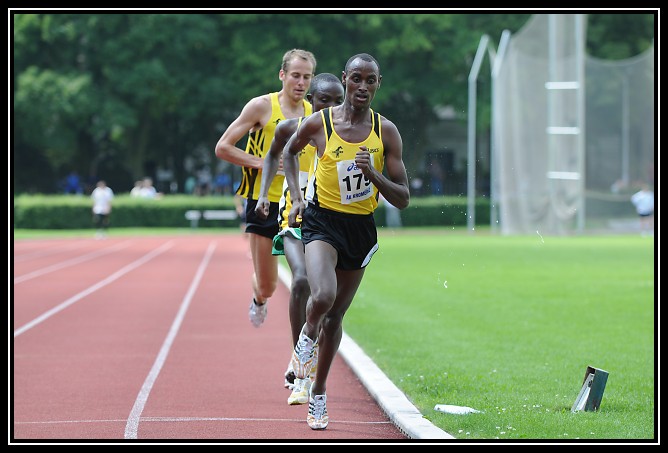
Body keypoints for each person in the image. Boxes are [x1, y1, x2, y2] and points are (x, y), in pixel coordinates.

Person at [283, 53, 410, 430]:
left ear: (378, 84)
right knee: (322, 295)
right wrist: (297, 198)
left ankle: (318, 392)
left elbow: (403, 197)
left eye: (370, 80)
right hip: (322, 222)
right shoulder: (320, 122)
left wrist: (375, 175)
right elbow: (289, 152)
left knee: (336, 317)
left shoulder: (385, 131)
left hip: (360, 228)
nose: (363, 87)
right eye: (357, 78)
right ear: (345, 79)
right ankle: (306, 340)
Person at [254, 73, 345, 404]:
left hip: (331, 219)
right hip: (295, 213)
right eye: (324, 101)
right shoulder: (291, 128)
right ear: (311, 101)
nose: (331, 107)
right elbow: (272, 155)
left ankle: (309, 360)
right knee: (302, 280)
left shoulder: (348, 135)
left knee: (327, 298)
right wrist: (266, 194)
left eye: (338, 101)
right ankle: (300, 364)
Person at [214, 49, 317, 328]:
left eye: (307, 77)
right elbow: (223, 147)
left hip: (300, 205)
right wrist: (262, 162)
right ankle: (259, 299)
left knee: (310, 279)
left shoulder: (315, 113)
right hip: (264, 203)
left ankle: (308, 337)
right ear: (282, 75)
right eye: (295, 75)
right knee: (267, 286)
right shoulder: (261, 107)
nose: (301, 83)